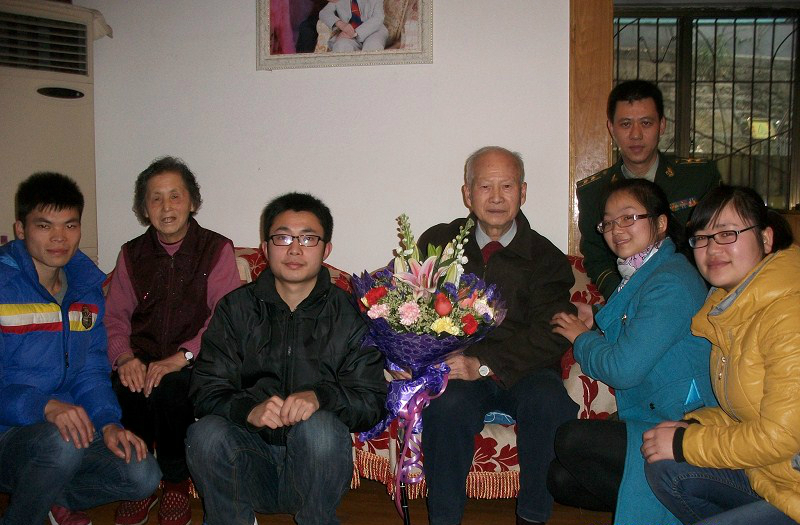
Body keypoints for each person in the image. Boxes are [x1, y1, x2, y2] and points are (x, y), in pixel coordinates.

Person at [185, 192, 387, 525]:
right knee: (204, 434)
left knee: (320, 430)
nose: (294, 249)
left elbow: (371, 402)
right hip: (247, 458)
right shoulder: (236, 309)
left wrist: (321, 397)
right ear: (265, 248)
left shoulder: (350, 314)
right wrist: (248, 410)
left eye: (308, 238)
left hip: (314, 468)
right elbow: (204, 388)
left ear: (326, 249)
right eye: (283, 238)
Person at [413, 146, 578, 525]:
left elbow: (553, 330)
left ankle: (533, 517)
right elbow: (412, 306)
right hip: (458, 368)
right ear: (467, 194)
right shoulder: (439, 242)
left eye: (507, 186)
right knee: (447, 406)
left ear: (523, 191)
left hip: (527, 369)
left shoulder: (546, 257)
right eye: (485, 186)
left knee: (549, 402)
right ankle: (444, 519)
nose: (497, 197)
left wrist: (484, 364)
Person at [548, 178, 716, 525]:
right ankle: (672, 499)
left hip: (682, 421)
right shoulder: (647, 271)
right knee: (560, 479)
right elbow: (639, 323)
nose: (616, 229)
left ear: (660, 222)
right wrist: (595, 316)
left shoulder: (671, 281)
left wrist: (582, 338)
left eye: (628, 217)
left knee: (571, 440)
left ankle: (686, 498)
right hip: (654, 411)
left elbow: (623, 369)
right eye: (608, 222)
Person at [0, 173, 161, 525]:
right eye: (45, 226)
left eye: (70, 225)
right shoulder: (4, 285)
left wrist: (108, 423)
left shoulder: (85, 289)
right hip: (9, 433)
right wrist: (44, 406)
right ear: (21, 229)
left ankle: (49, 494)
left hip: (67, 432)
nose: (59, 237)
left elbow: (91, 370)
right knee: (62, 443)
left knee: (143, 474)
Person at [643, 186, 800, 525]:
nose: (712, 249)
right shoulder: (727, 310)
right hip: (769, 475)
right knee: (665, 466)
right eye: (701, 238)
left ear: (766, 238)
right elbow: (746, 412)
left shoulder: (790, 314)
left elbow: (783, 436)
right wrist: (694, 425)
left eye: (727, 233)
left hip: (794, 489)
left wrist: (686, 443)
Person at [104, 157, 241, 525]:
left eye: (175, 196)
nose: (166, 207)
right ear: (144, 209)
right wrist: (124, 358)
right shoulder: (131, 254)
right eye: (156, 198)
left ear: (192, 201)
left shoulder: (216, 249)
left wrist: (182, 357)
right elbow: (115, 316)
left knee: (171, 389)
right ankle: (141, 483)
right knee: (128, 386)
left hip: (197, 360)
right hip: (141, 356)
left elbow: (224, 319)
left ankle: (176, 482)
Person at [577, 80, 721, 300]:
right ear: (611, 128)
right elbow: (597, 259)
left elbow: (716, 240)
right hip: (629, 299)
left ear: (661, 125)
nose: (636, 134)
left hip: (694, 295)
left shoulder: (698, 177)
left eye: (646, 123)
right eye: (625, 124)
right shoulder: (593, 191)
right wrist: (626, 300)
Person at [320, 0, 389, 52]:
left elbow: (378, 18)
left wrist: (355, 33)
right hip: (348, 33)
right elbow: (324, 13)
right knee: (341, 46)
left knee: (372, 46)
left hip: (374, 31)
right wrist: (341, 24)